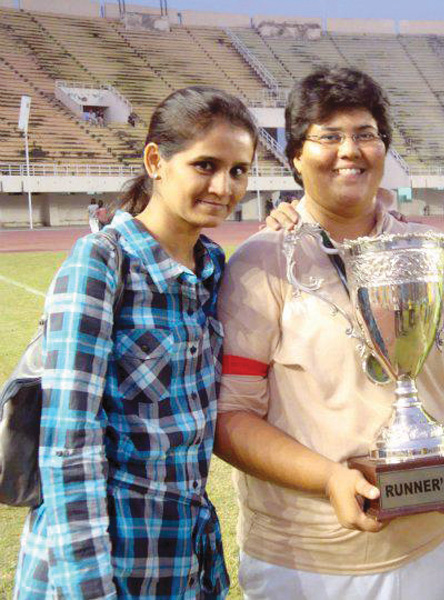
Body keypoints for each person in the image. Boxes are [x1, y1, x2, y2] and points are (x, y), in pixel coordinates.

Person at [213, 67, 444, 600]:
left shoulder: (436, 254)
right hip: (308, 561)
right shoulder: (261, 265)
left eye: (365, 134)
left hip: (441, 544)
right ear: (296, 156)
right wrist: (329, 478)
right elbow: (230, 415)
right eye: (328, 136)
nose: (349, 150)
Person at [14, 86, 258, 599]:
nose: (224, 186)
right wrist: (90, 588)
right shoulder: (101, 262)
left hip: (182, 559)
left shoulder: (213, 270)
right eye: (206, 165)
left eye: (239, 170)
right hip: (107, 564)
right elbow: (67, 446)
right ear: (156, 161)